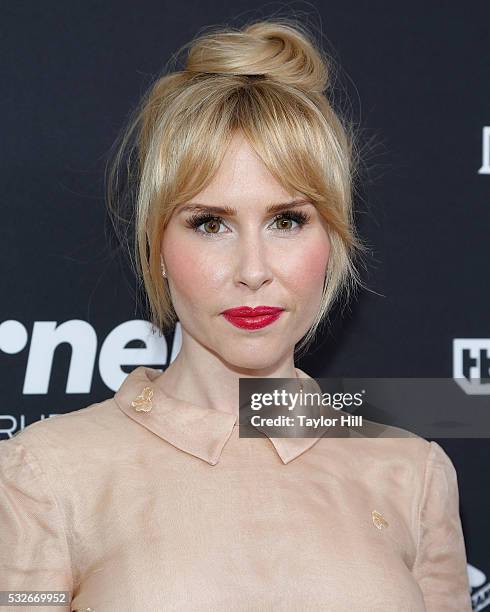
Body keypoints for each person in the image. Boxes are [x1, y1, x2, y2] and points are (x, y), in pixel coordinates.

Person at [0, 18, 472, 611]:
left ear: (332, 240)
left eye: (286, 221)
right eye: (211, 223)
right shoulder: (44, 474)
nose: (253, 269)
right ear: (159, 249)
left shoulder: (413, 473)